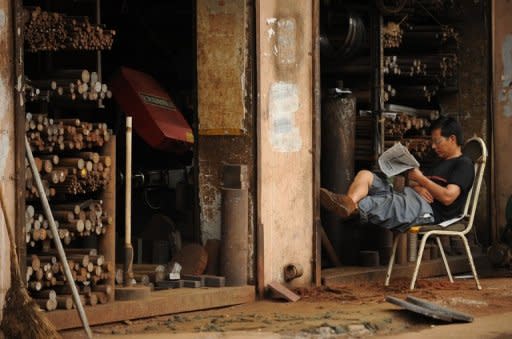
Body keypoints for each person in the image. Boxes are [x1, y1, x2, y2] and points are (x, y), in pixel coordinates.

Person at [320, 116, 475, 232]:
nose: (433, 146)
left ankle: (353, 208)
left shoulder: (464, 164)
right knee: (366, 175)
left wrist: (421, 179)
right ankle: (348, 203)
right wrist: (417, 187)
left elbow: (448, 197)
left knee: (382, 202)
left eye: (437, 141)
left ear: (452, 139)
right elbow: (424, 185)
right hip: (411, 196)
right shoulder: (439, 161)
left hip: (428, 211)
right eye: (432, 142)